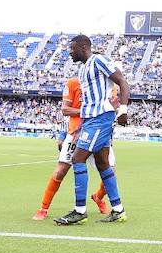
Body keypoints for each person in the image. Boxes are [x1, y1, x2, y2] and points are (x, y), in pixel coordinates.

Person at [54, 35, 131, 225]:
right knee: (103, 163)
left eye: (72, 48)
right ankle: (118, 210)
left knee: (78, 159)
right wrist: (81, 125)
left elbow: (122, 81)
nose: (70, 52)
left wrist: (123, 109)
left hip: (101, 119)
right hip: (91, 120)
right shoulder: (82, 69)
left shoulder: (99, 60)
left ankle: (80, 211)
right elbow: (90, 101)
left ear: (83, 46)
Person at [37, 77, 113, 219]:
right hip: (75, 133)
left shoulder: (108, 83)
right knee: (60, 171)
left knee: (110, 171)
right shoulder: (73, 83)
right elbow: (65, 110)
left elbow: (110, 109)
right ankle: (43, 208)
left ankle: (98, 197)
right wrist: (63, 133)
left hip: (99, 133)